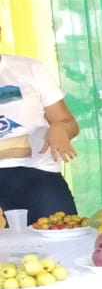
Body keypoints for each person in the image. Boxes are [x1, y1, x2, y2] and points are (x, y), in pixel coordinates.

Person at [0, 37, 79, 217]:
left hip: (40, 176)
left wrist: (60, 128)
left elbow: (69, 123)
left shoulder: (30, 69)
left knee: (61, 239)